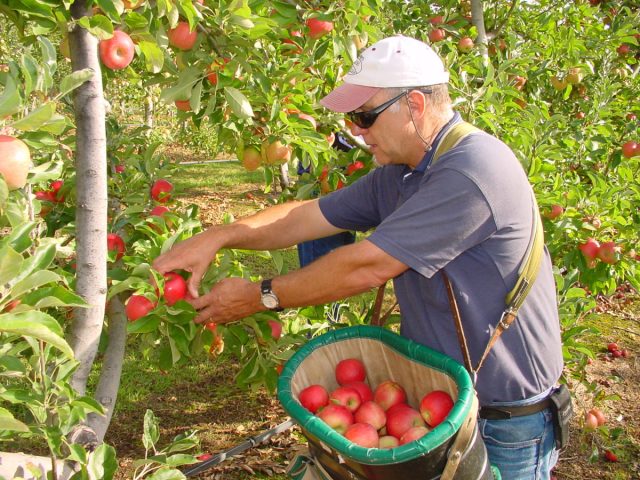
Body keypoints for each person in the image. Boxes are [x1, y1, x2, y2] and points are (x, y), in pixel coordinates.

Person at [153, 35, 564, 479]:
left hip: (505, 420)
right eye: (352, 117)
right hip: (437, 404)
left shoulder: (472, 170)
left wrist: (261, 296)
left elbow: (368, 265)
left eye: (364, 116)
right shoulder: (401, 174)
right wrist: (220, 235)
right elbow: (309, 216)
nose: (354, 131)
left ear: (416, 106)